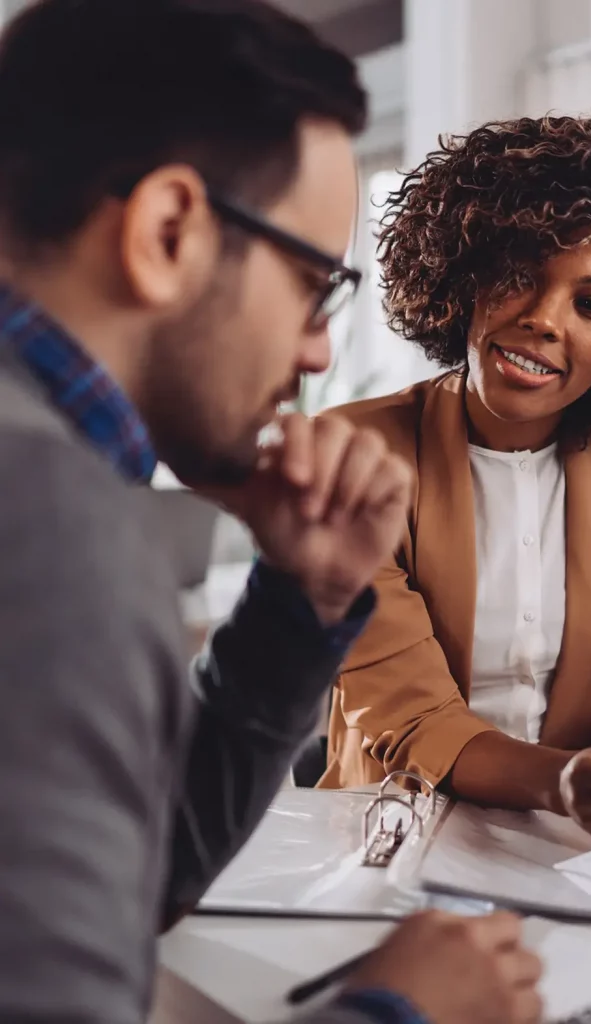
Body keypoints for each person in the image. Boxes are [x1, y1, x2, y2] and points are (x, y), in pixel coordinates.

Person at [0, 3, 542, 1024]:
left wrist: (303, 598)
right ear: (167, 232)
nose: (314, 354)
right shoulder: (55, 529)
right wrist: (400, 1011)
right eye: (311, 285)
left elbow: (122, 888)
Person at [321, 115, 591, 843]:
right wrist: (566, 781)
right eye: (522, 273)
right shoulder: (353, 451)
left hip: (572, 848)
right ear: (469, 268)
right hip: (389, 834)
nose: (544, 319)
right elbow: (408, 717)